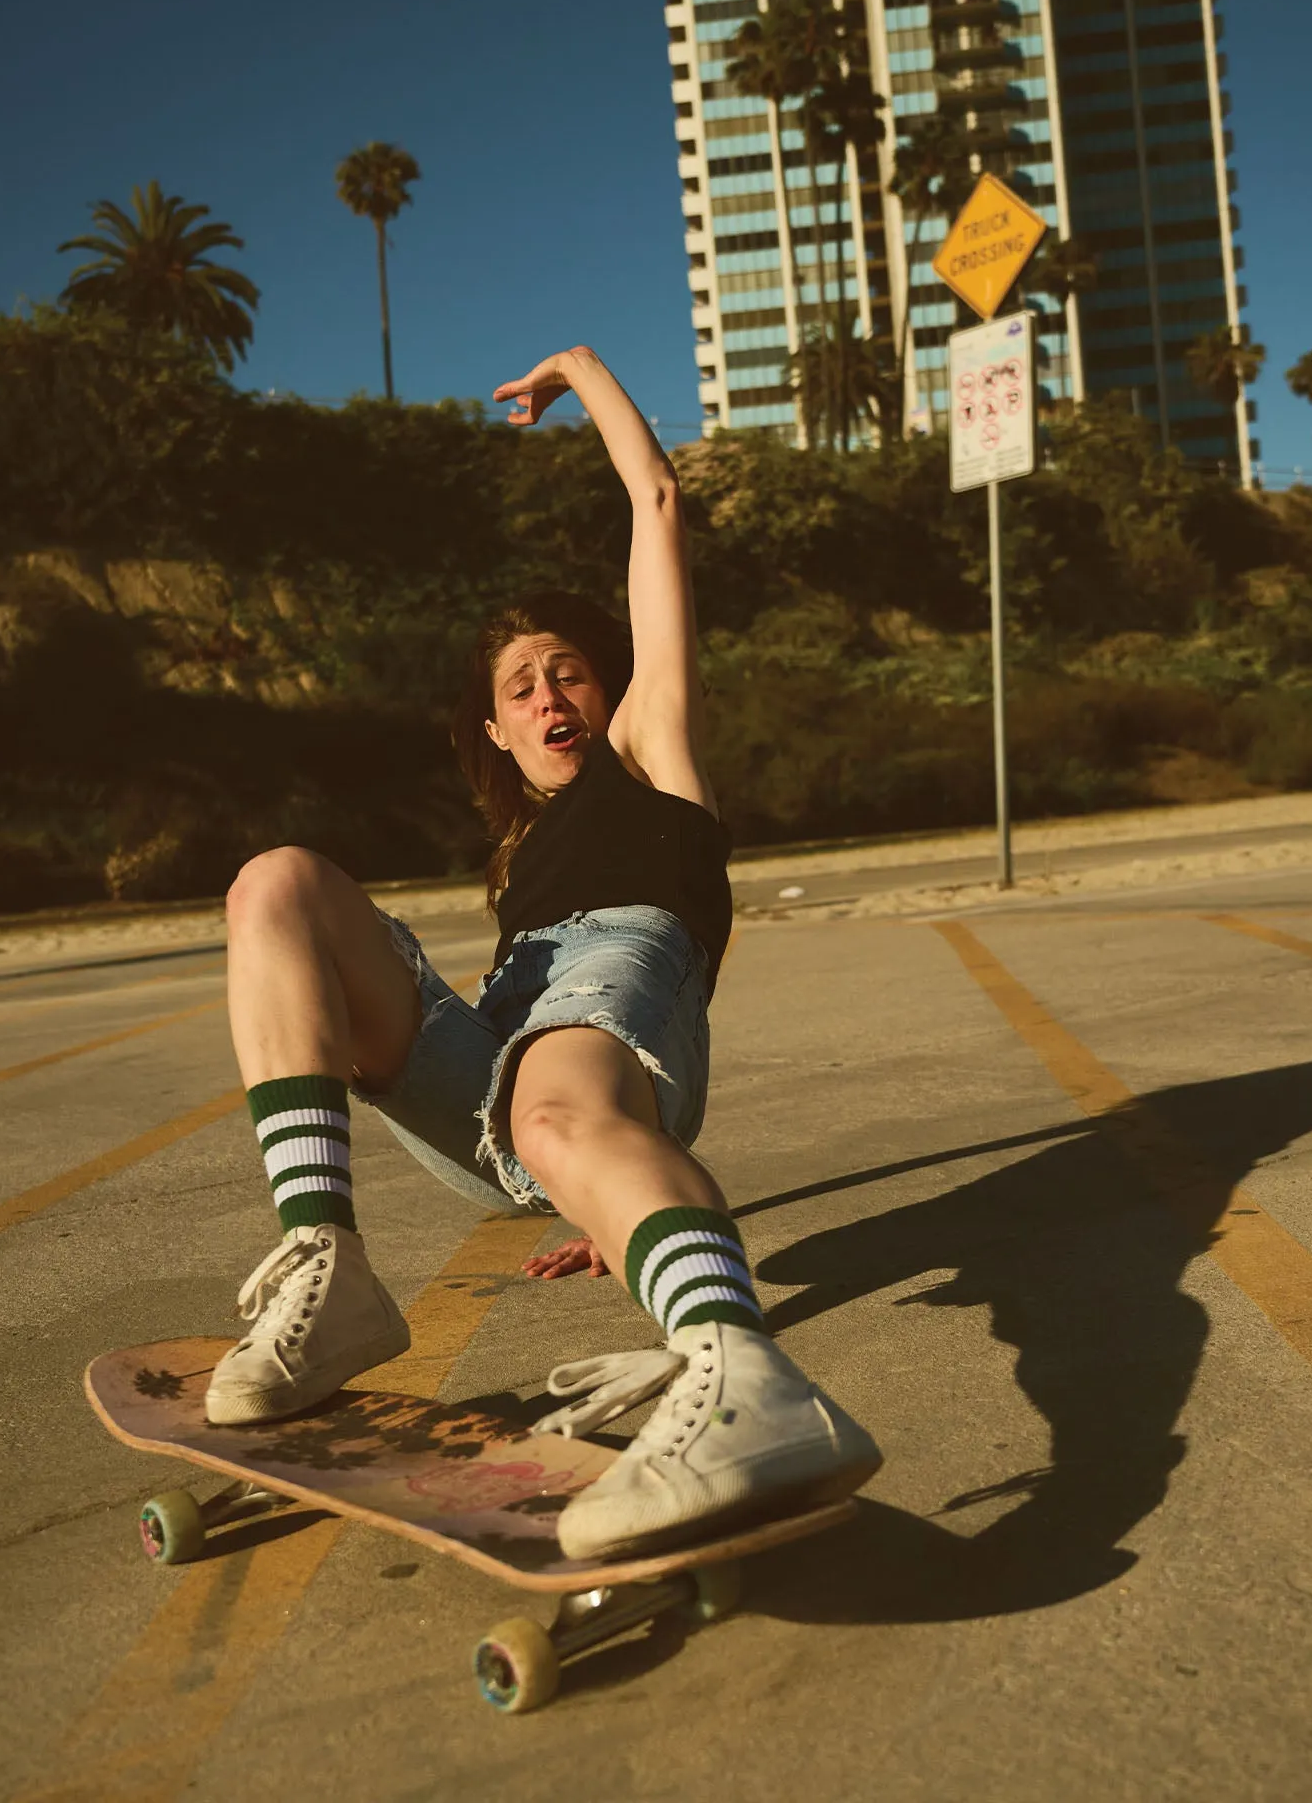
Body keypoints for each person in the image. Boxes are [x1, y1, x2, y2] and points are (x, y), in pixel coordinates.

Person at [208, 346, 880, 1559]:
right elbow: (583, 1084)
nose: (548, 691)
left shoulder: (649, 753)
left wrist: (578, 369)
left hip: (612, 984)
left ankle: (746, 1382)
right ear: (496, 732)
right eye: (519, 686)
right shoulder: (517, 858)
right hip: (508, 1075)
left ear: (609, 686)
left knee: (558, 1110)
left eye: (566, 668)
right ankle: (329, 1262)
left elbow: (657, 503)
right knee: (277, 885)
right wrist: (604, 1187)